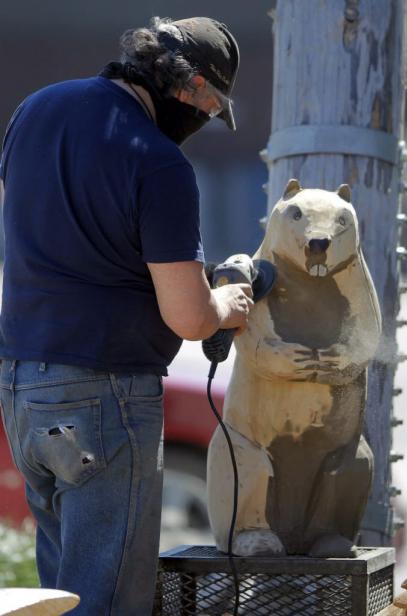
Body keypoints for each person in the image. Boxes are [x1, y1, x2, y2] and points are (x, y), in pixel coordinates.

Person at [0, 16, 253, 616]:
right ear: (188, 87)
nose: (206, 120)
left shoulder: (37, 109)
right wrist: (229, 303)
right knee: (108, 601)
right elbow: (191, 317)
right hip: (103, 395)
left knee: (58, 596)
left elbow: (42, 228)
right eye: (212, 105)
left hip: (21, 384)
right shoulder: (159, 163)